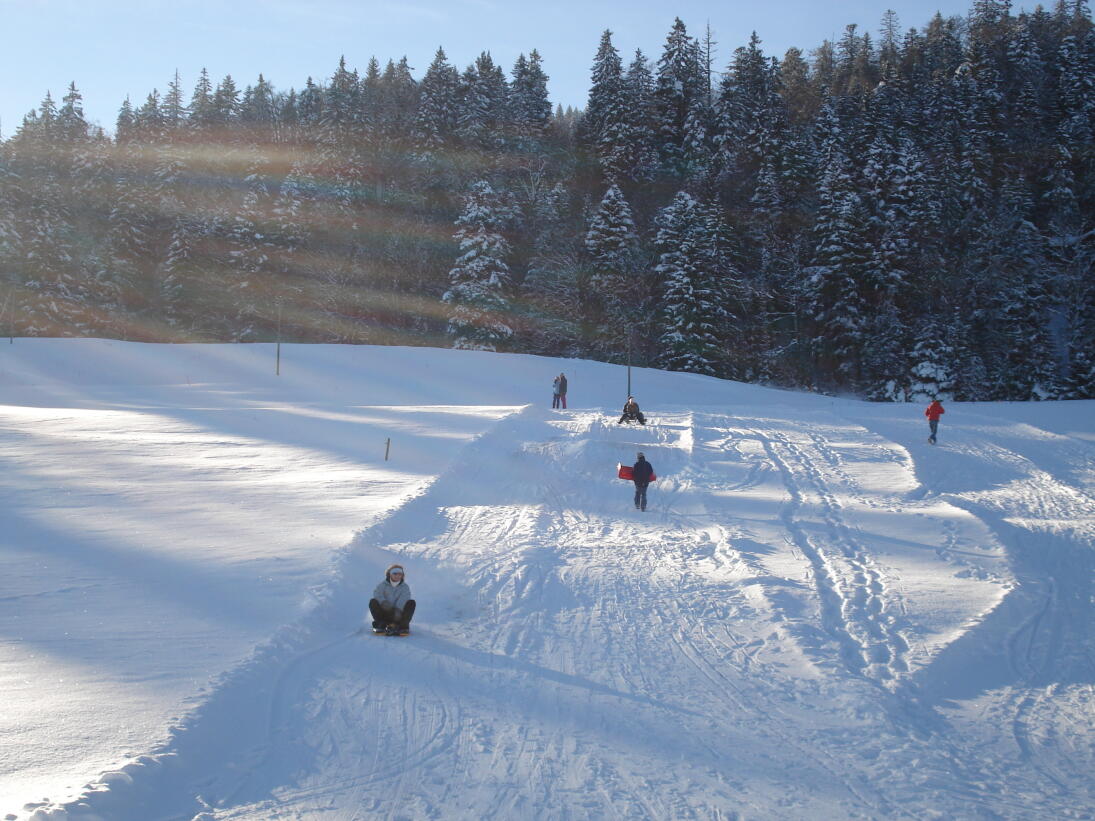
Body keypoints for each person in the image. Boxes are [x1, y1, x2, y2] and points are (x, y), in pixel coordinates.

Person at [369, 564, 416, 635]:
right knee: (373, 601)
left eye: (400, 574)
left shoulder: (405, 587)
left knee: (411, 602)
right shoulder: (383, 585)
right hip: (384, 612)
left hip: (398, 615)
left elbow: (404, 599)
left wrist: (397, 610)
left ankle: (403, 626)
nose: (397, 576)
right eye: (395, 573)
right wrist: (384, 602)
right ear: (390, 574)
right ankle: (381, 624)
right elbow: (377, 594)